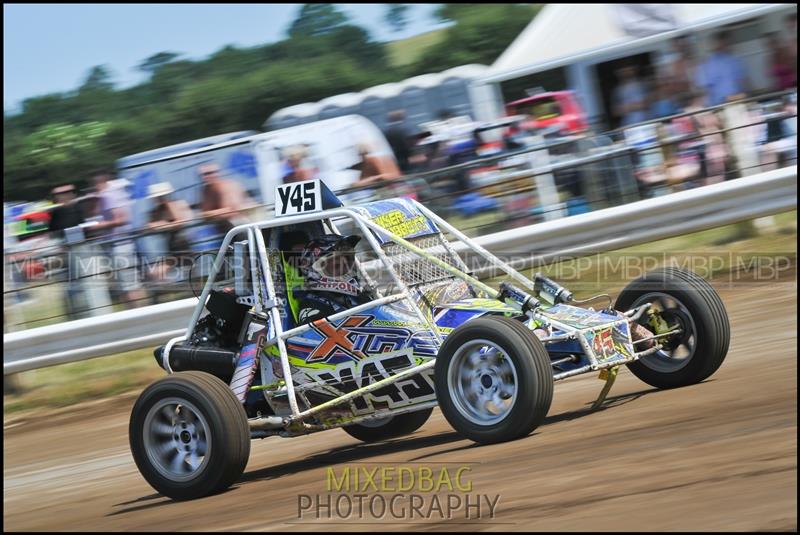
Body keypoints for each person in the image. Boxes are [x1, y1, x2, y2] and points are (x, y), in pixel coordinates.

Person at [89, 170, 148, 307]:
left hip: (119, 245)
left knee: (129, 285)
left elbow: (122, 219)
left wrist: (98, 226)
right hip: (123, 243)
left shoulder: (108, 196)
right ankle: (141, 313)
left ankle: (139, 315)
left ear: (99, 183)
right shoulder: (117, 193)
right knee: (131, 283)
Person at [293, 234, 372, 325]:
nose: (344, 269)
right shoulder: (313, 307)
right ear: (313, 270)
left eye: (347, 263)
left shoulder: (354, 296)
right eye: (337, 265)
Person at [145, 182, 193, 288]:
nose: (158, 199)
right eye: (157, 197)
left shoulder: (178, 204)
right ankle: (172, 294)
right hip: (171, 247)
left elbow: (180, 222)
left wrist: (162, 225)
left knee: (190, 276)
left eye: (161, 196)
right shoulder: (157, 211)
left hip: (184, 244)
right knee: (156, 273)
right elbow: (148, 226)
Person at [199, 163, 255, 236]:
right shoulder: (206, 191)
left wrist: (213, 213)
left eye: (211, 173)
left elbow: (236, 209)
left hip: (243, 223)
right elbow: (204, 215)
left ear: (218, 173)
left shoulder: (230, 185)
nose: (208, 176)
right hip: (224, 229)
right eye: (205, 174)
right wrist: (221, 212)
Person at [696, 30, 748, 107]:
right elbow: (703, 90)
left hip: (739, 102)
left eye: (730, 43)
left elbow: (743, 81)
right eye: (726, 43)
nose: (730, 45)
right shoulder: (707, 64)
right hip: (719, 105)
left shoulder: (734, 60)